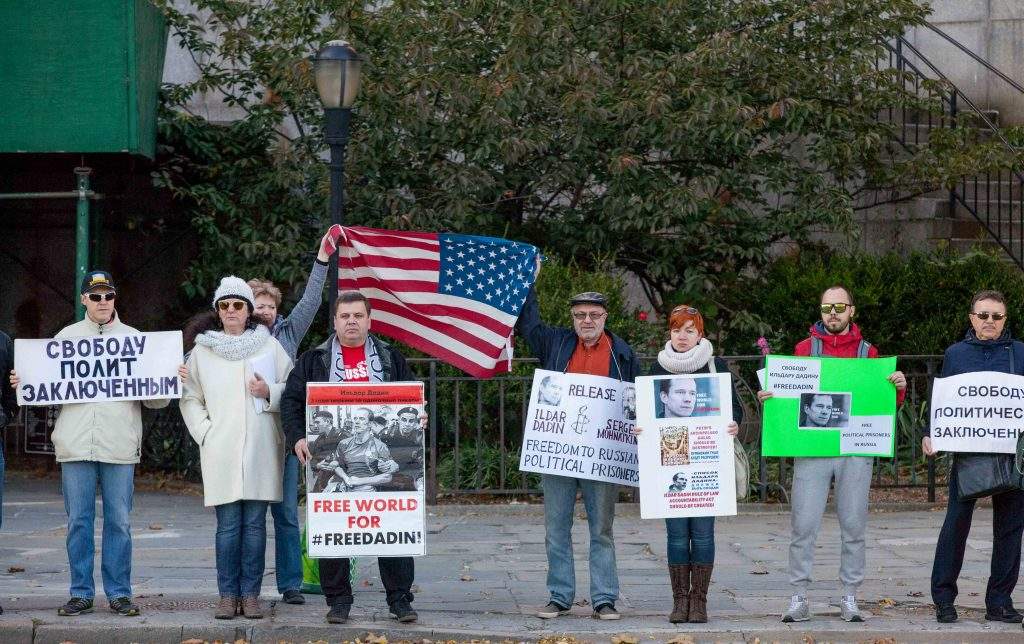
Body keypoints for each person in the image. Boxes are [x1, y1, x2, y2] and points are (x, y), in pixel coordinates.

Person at [9, 271, 176, 617]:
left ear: (115, 299)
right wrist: (24, 379)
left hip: (119, 446)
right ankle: (81, 593)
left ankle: (119, 593)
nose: (103, 302)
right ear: (84, 299)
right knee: (78, 523)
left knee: (119, 522)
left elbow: (156, 402)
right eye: (96, 296)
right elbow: (43, 393)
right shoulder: (66, 338)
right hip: (75, 445)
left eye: (108, 296)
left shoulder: (135, 340)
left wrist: (169, 379)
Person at [757, 285, 906, 623]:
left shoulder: (869, 353)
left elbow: (881, 405)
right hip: (812, 449)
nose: (833, 313)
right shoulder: (803, 348)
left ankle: (850, 597)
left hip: (853, 450)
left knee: (854, 525)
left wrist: (898, 388)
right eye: (827, 308)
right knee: (803, 524)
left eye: (840, 306)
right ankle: (798, 596)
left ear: (852, 310)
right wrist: (770, 397)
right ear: (821, 312)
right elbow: (788, 399)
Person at [281, 290, 424, 625]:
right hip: (331, 460)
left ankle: (400, 600)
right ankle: (338, 600)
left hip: (385, 461)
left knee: (394, 527)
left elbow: (411, 400)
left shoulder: (390, 358)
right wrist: (297, 437)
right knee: (334, 528)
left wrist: (419, 417)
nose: (351, 322)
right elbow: (290, 401)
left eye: (358, 316)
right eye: (345, 316)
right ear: (335, 321)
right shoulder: (314, 360)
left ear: (369, 319)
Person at [516, 276, 641, 621]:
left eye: (594, 314)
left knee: (601, 529)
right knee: (556, 527)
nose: (587, 320)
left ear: (605, 317)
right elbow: (528, 323)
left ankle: (604, 598)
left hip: (601, 456)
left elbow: (637, 400)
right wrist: (530, 278)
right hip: (558, 453)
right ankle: (560, 596)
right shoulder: (555, 343)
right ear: (572, 318)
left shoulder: (623, 353)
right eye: (580, 314)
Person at [180, 276, 293, 620]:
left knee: (256, 526)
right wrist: (205, 433)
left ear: (248, 311)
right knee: (228, 526)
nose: (232, 311)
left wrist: (269, 392)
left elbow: (291, 389)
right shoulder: (203, 350)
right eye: (225, 305)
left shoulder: (269, 346)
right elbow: (190, 398)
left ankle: (252, 595)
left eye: (238, 305)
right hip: (221, 449)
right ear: (217, 311)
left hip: (261, 447)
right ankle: (228, 595)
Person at [245, 225, 341, 606]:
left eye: (270, 305)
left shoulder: (288, 333)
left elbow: (313, 300)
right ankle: (246, 586)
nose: (265, 311)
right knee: (251, 519)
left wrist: (322, 259)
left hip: (283, 436)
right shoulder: (233, 335)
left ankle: (290, 583)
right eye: (257, 304)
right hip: (248, 437)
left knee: (285, 513)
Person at [633, 304, 743, 623]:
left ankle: (700, 601)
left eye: (689, 330)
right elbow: (648, 414)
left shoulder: (714, 365)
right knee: (677, 535)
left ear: (700, 334)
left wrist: (734, 424)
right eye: (676, 329)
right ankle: (680, 600)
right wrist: (642, 427)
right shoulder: (658, 369)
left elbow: (737, 410)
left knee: (704, 533)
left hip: (707, 463)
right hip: (671, 463)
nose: (682, 336)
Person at [922, 289, 1024, 625]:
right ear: (972, 318)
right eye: (984, 315)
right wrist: (930, 433)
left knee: (1010, 529)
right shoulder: (956, 354)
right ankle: (943, 599)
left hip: (1013, 454)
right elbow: (943, 400)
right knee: (955, 524)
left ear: (1005, 320)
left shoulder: (1021, 353)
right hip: (969, 452)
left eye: (997, 316)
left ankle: (999, 601)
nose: (990, 321)